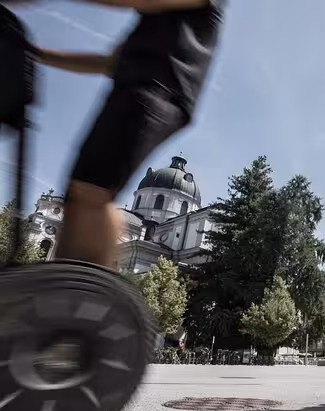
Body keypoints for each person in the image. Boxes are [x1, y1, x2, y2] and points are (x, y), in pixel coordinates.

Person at [25, 0, 225, 269]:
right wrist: (34, 53)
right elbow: (109, 62)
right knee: (80, 196)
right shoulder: (154, 22)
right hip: (136, 92)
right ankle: (69, 288)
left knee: (91, 193)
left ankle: (87, 297)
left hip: (156, 92)